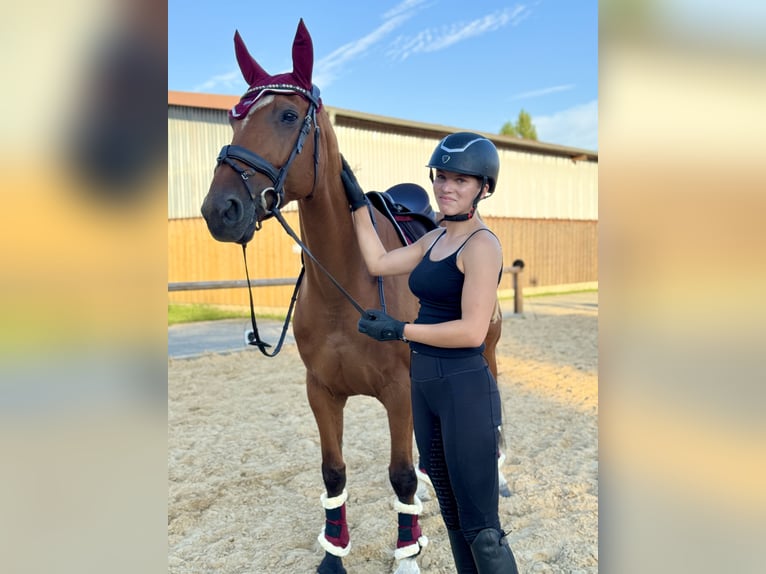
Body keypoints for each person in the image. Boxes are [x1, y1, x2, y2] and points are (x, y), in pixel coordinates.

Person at [341, 132, 520, 573]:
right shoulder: (435, 238)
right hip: (425, 390)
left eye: (460, 179)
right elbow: (379, 263)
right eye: (441, 177)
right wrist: (358, 204)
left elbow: (473, 331)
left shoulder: (481, 246)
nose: (446, 187)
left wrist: (401, 329)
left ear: (484, 188)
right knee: (453, 516)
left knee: (483, 530)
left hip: (464, 391)